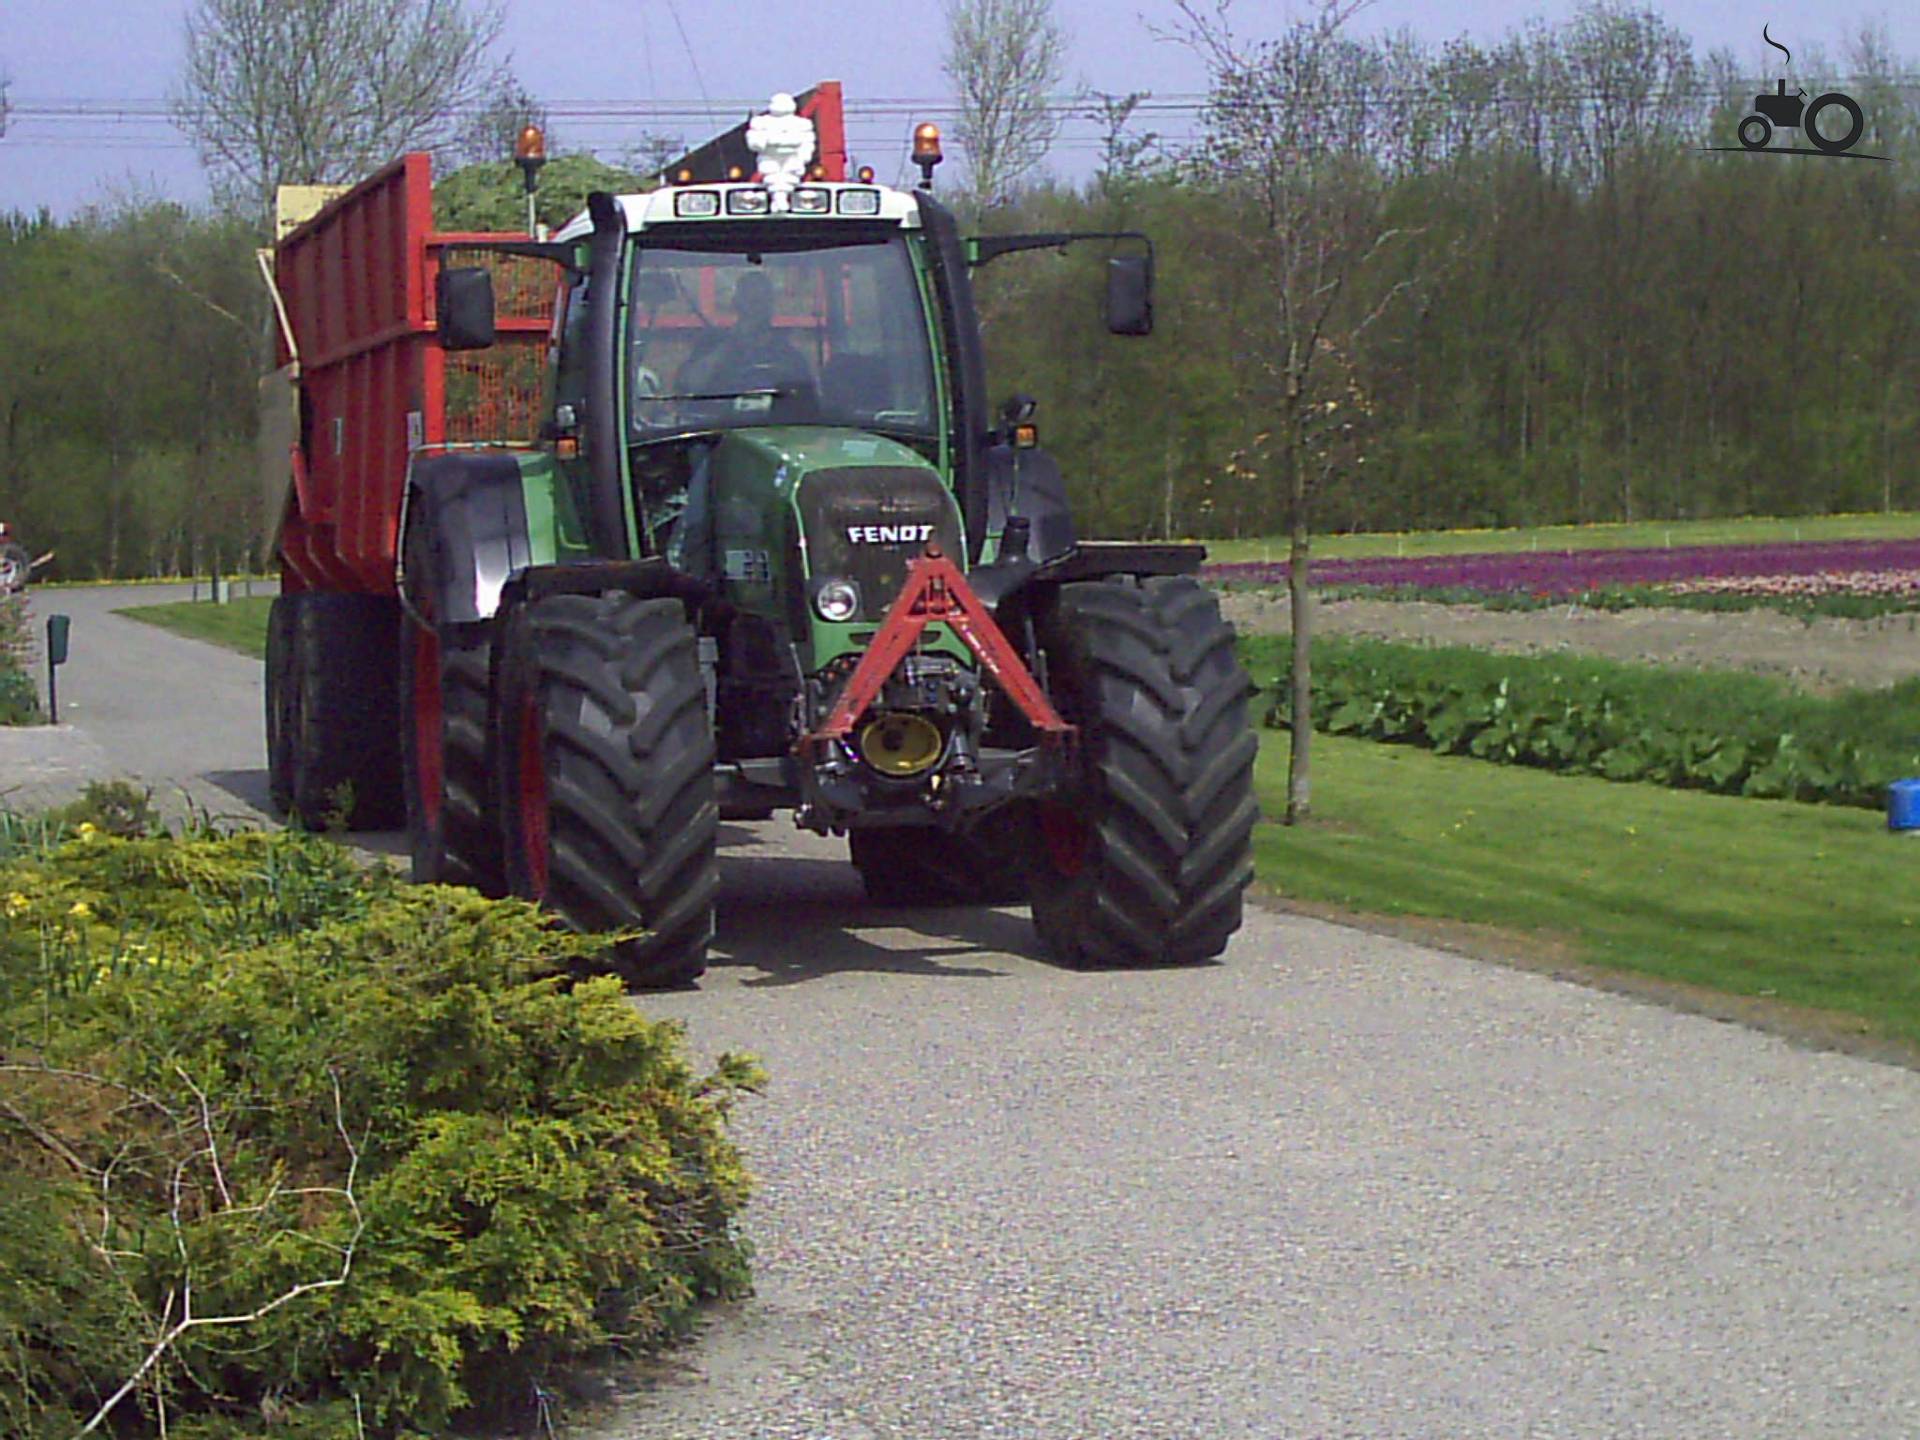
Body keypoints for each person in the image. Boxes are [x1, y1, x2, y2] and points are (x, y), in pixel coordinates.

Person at [676, 270, 810, 400]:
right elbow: (688, 386)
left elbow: (805, 402)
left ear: (770, 306)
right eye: (750, 301)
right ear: (736, 304)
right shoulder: (712, 345)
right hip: (720, 422)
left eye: (761, 302)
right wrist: (728, 347)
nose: (755, 309)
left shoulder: (789, 357)